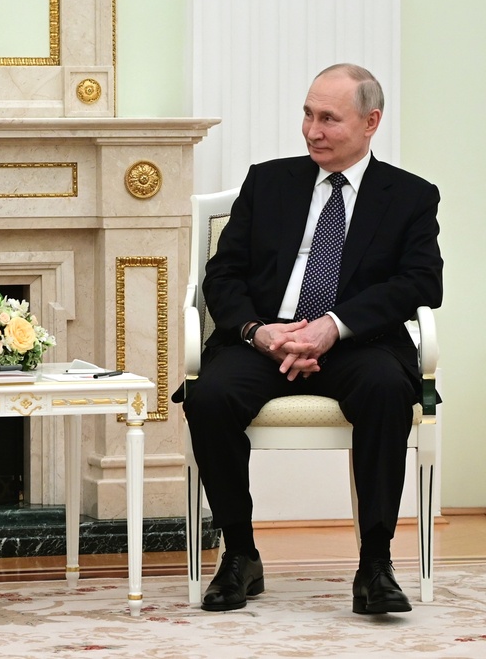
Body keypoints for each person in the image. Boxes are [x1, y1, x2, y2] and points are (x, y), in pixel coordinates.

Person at [175, 63, 443, 615]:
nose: (311, 130)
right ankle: (240, 555)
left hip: (359, 343)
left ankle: (375, 565)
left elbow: (421, 282)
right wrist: (258, 331)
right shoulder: (268, 181)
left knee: (388, 389)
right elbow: (221, 275)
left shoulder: (410, 195)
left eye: (328, 118)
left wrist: (333, 326)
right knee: (210, 396)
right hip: (267, 339)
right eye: (307, 113)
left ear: (371, 122)